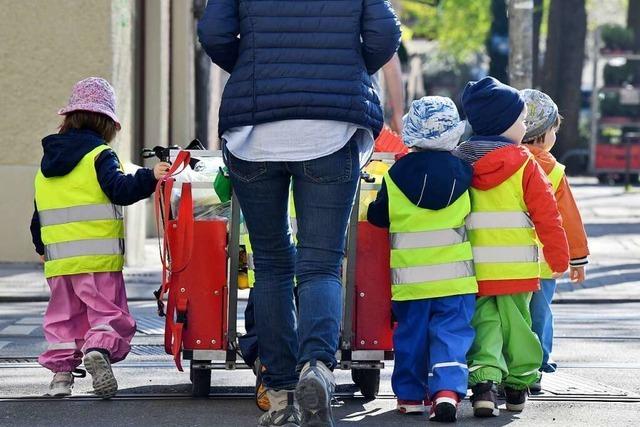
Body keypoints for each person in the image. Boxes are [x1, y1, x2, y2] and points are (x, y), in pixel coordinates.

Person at [197, 1, 401, 426]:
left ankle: (282, 385)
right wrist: (347, 66)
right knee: (322, 265)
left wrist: (252, 65)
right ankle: (318, 369)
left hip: (254, 130)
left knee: (271, 265)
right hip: (333, 126)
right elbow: (384, 33)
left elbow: (214, 32)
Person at [30, 77, 170, 398]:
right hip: (98, 259)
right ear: (107, 122)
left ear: (69, 118)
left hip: (58, 262)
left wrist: (41, 246)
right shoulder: (100, 154)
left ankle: (61, 379)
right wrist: (151, 176)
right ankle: (98, 350)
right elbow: (119, 189)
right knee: (107, 314)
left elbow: (39, 211)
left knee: (63, 320)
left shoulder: (47, 162)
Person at [455, 77, 569, 417]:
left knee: (484, 327)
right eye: (521, 120)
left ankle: (485, 387)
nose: (525, 126)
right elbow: (547, 215)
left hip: (472, 270)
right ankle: (518, 385)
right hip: (518, 270)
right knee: (519, 326)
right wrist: (558, 255)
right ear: (506, 125)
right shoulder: (525, 165)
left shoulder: (461, 162)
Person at [368, 96, 477, 423]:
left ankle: (410, 396)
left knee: (410, 338)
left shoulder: (394, 175)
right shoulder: (465, 174)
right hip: (455, 279)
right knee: (451, 335)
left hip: (411, 283)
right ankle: (446, 391)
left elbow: (378, 217)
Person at [520, 89, 589, 391]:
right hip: (546, 262)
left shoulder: (505, 163)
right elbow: (568, 219)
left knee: (513, 314)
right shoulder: (554, 171)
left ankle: (512, 363)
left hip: (505, 259)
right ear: (544, 135)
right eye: (554, 131)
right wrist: (577, 258)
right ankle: (539, 361)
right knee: (541, 313)